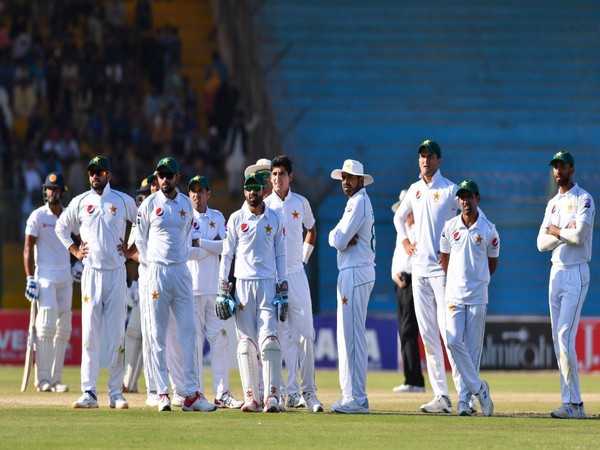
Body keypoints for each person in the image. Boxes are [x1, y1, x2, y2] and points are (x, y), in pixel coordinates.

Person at [134, 157, 216, 413]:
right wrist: (151, 264)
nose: (165, 179)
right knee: (157, 335)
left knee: (189, 332)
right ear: (157, 178)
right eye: (161, 175)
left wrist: (176, 260)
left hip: (181, 273)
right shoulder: (148, 205)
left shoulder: (185, 205)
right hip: (157, 272)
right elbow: (139, 239)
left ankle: (190, 394)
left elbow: (187, 237)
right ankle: (162, 393)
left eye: (170, 175)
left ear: (178, 178)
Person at [55, 156, 137, 409]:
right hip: (91, 274)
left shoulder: (123, 200)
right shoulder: (80, 201)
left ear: (108, 175)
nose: (95, 176)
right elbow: (61, 227)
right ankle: (89, 392)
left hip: (115, 273)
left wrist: (131, 247)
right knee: (90, 334)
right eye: (91, 172)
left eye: (99, 172)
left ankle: (115, 393)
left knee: (116, 336)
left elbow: (142, 222)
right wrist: (74, 250)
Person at [394, 139, 462, 414]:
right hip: (419, 270)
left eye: (430, 156)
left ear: (439, 160)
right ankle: (442, 397)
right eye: (421, 156)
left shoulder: (449, 189)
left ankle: (466, 393)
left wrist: (451, 250)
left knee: (449, 334)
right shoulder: (414, 189)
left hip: (441, 271)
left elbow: (464, 221)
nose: (425, 160)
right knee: (427, 335)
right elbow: (400, 218)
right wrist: (406, 242)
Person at [166, 175, 243, 409]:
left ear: (209, 194)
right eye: (193, 191)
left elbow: (228, 246)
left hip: (213, 289)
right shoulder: (184, 216)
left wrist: (201, 243)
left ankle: (222, 394)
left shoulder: (218, 216)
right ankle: (196, 392)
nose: (196, 195)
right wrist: (210, 245)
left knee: (219, 341)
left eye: (201, 191)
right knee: (194, 343)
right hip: (190, 290)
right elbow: (184, 251)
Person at [216, 172, 288, 413]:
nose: (252, 192)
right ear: (244, 191)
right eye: (248, 188)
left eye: (256, 188)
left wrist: (283, 287)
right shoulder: (236, 219)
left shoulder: (275, 218)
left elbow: (281, 255)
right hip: (243, 286)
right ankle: (252, 398)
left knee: (270, 343)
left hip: (268, 284)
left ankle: (272, 398)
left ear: (263, 190)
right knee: (246, 344)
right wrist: (222, 289)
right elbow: (227, 255)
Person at [537, 151, 595, 419]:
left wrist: (556, 232)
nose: (557, 171)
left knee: (564, 336)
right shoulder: (552, 204)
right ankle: (572, 404)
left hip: (576, 273)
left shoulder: (584, 199)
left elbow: (580, 236)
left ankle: (573, 404)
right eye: (554, 167)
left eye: (562, 166)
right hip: (556, 272)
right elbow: (540, 244)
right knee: (559, 339)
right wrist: (563, 233)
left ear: (572, 168)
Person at [264, 155, 323, 413]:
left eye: (282, 174)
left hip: (297, 275)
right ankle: (285, 393)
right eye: (274, 174)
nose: (278, 178)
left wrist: (303, 257)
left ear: (291, 177)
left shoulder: (301, 203)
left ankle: (309, 392)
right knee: (279, 337)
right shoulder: (265, 206)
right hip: (274, 277)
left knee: (307, 334)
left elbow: (312, 228)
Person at [440, 179, 498, 417]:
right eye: (462, 197)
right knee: (453, 341)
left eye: (469, 197)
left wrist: (477, 281)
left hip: (477, 297)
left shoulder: (489, 229)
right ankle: (479, 388)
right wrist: (455, 280)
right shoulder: (449, 226)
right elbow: (444, 258)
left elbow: (492, 264)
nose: (465, 201)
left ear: (477, 198)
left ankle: (465, 401)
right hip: (454, 295)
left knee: (472, 353)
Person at [23, 172, 78, 393]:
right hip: (44, 276)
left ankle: (55, 379)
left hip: (65, 277)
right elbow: (27, 249)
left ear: (62, 192)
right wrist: (29, 278)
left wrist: (79, 263)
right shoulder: (37, 216)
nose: (52, 193)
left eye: (55, 189)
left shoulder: (68, 217)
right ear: (44, 191)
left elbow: (84, 238)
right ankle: (42, 378)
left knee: (64, 328)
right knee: (45, 326)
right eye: (49, 189)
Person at [328, 159, 375, 414]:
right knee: (346, 336)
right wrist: (337, 236)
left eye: (350, 178)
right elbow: (338, 237)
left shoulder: (358, 202)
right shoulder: (354, 202)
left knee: (353, 337)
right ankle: (351, 395)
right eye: (343, 178)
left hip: (356, 272)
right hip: (351, 271)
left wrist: (337, 236)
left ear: (360, 180)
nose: (346, 182)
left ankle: (357, 398)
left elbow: (338, 240)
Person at [122, 175, 155, 394]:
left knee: (154, 336)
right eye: (141, 195)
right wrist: (132, 284)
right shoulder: (138, 219)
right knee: (135, 331)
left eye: (145, 194)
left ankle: (154, 387)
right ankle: (128, 383)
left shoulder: (168, 211)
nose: (142, 199)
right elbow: (130, 250)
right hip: (143, 280)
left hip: (167, 280)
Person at [391, 190, 425, 394]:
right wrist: (395, 276)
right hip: (401, 282)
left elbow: (416, 258)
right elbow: (397, 258)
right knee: (403, 331)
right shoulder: (402, 233)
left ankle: (416, 380)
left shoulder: (419, 231)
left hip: (413, 281)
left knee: (409, 330)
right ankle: (410, 378)